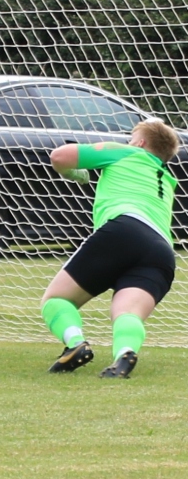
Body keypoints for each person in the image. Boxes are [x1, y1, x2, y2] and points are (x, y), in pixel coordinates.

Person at [41, 119, 180, 379]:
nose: (128, 142)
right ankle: (124, 355)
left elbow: (59, 156)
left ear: (139, 142)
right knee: (127, 312)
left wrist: (76, 173)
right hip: (161, 250)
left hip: (125, 229)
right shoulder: (167, 180)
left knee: (56, 299)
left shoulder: (128, 151)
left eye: (131, 138)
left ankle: (75, 344)